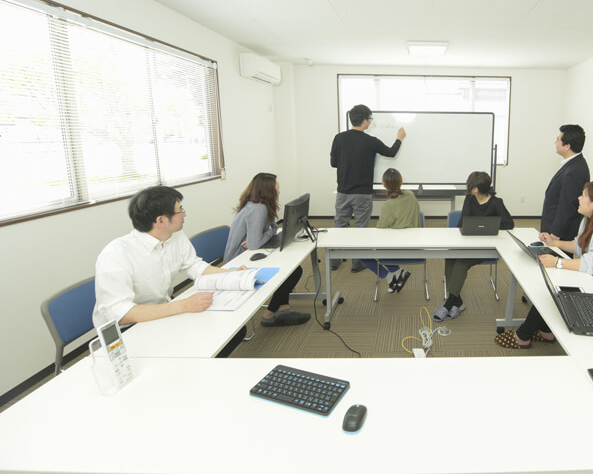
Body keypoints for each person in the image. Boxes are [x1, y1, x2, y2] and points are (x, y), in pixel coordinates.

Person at [93, 186, 253, 356]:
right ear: (161, 221)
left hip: (164, 310)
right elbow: (122, 313)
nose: (184, 214)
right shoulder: (116, 255)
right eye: (180, 210)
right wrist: (184, 305)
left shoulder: (174, 236)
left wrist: (233, 274)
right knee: (196, 350)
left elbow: (194, 266)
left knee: (233, 333)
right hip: (127, 330)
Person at [496, 181, 593, 348]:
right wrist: (555, 243)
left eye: (584, 196)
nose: (579, 198)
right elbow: (580, 247)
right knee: (554, 285)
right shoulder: (589, 221)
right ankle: (545, 331)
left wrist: (557, 262)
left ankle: (523, 335)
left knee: (553, 289)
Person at [223, 172, 310, 327]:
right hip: (239, 263)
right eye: (277, 188)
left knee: (292, 268)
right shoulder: (258, 209)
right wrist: (272, 229)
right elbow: (255, 243)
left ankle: (283, 309)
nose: (279, 191)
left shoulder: (255, 204)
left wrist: (268, 230)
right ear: (268, 190)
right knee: (293, 272)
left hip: (247, 255)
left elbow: (255, 240)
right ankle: (269, 314)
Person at [330, 104, 406, 272]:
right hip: (363, 193)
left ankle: (334, 261)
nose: (370, 122)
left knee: (340, 224)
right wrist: (399, 138)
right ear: (364, 121)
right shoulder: (370, 141)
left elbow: (333, 163)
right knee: (361, 227)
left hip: (343, 191)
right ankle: (358, 262)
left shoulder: (339, 138)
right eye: (370, 119)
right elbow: (391, 152)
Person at [433, 171, 514, 322]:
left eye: (470, 185)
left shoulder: (497, 202)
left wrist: (491, 226)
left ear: (476, 188)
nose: (468, 187)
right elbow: (463, 221)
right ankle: (458, 302)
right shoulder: (470, 199)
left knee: (462, 262)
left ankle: (449, 303)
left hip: (486, 248)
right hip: (468, 243)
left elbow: (509, 224)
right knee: (450, 258)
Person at [356, 168, 421, 292]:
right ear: (400, 181)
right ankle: (397, 271)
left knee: (360, 253)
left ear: (384, 184)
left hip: (397, 248)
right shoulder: (411, 195)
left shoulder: (389, 205)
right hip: (414, 244)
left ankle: (389, 275)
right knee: (384, 246)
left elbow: (381, 229)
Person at [540, 124, 589, 244]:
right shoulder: (572, 164)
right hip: (554, 229)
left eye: (558, 139)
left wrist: (556, 233)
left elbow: (567, 206)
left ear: (567, 146)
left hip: (559, 234)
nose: (555, 142)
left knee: (558, 262)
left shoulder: (575, 170)